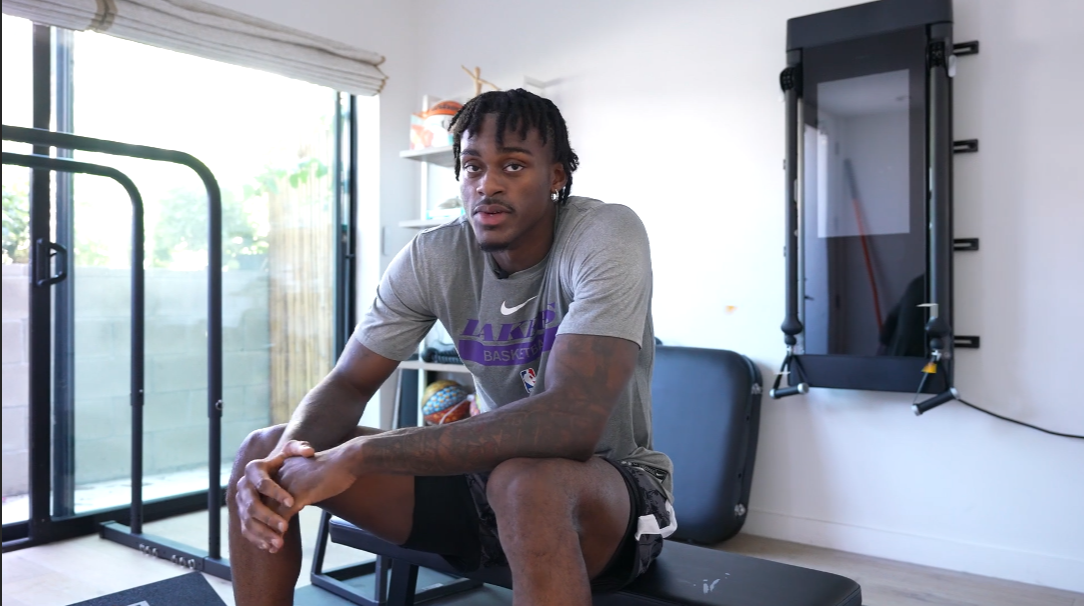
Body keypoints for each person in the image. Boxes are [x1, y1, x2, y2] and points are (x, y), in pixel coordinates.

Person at [228, 88, 676, 606]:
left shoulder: (604, 234)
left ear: (556, 176)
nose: (488, 184)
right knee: (261, 453)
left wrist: (360, 454)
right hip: (488, 482)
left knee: (526, 483)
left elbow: (570, 425)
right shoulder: (433, 256)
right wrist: (286, 459)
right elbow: (349, 383)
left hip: (612, 497)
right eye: (472, 167)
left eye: (513, 166)